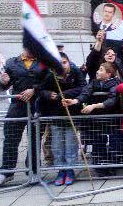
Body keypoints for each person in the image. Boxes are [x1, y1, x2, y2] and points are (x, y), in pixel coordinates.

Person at [0, 48, 45, 187]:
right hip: (17, 107)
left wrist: (35, 89)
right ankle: (6, 172)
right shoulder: (12, 63)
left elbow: (49, 82)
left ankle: (33, 170)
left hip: (36, 106)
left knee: (35, 140)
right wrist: (3, 82)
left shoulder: (43, 63)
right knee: (10, 140)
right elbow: (3, 86)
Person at [62, 63, 121, 176]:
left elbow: (112, 100)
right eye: (98, 69)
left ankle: (114, 166)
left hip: (111, 118)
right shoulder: (93, 82)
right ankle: (100, 166)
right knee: (98, 142)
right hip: (96, 120)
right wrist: (75, 101)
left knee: (115, 142)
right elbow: (85, 93)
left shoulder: (115, 83)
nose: (97, 71)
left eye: (101, 69)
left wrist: (93, 106)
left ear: (108, 74)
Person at [37, 53, 86, 186]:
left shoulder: (76, 72)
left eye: (64, 62)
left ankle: (70, 170)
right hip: (55, 114)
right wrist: (48, 94)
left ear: (69, 62)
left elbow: (83, 87)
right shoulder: (50, 74)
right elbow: (40, 89)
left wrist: (62, 95)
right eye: (59, 63)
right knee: (57, 144)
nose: (62, 65)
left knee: (70, 144)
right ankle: (60, 170)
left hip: (71, 114)